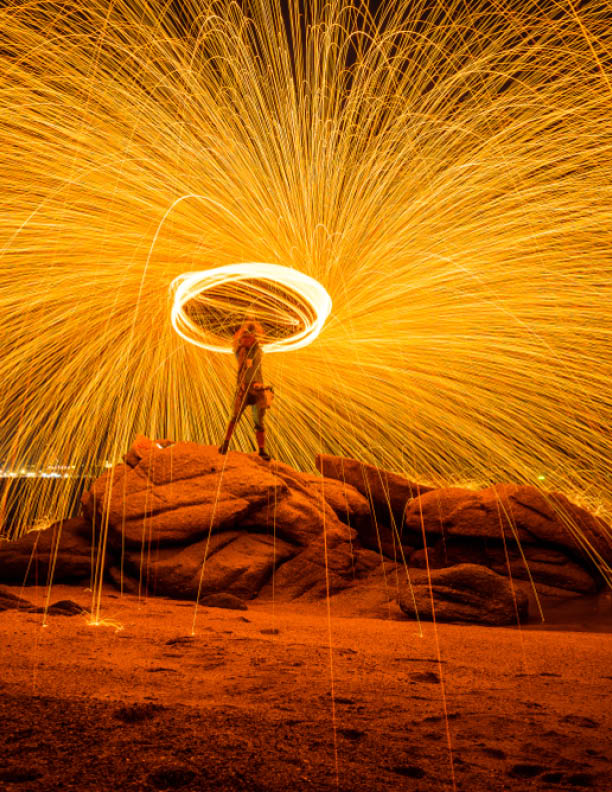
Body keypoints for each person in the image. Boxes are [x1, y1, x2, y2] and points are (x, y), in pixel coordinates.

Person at [218, 319, 271, 460]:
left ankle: (261, 450)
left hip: (257, 388)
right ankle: (225, 444)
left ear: (253, 338)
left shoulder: (258, 350)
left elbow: (262, 336)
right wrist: (244, 326)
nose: (246, 340)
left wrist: (253, 323)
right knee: (234, 417)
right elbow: (235, 340)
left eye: (249, 337)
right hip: (243, 389)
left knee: (259, 422)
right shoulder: (239, 352)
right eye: (244, 338)